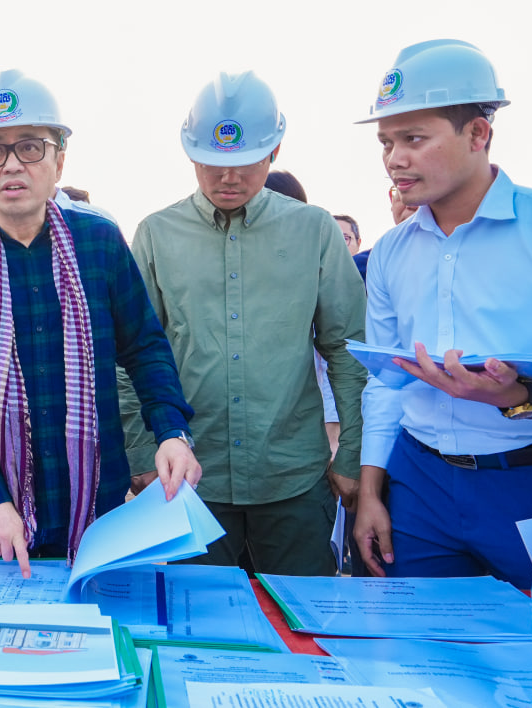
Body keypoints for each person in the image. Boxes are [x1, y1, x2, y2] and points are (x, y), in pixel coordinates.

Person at [0, 70, 199, 574]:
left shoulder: (100, 243)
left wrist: (171, 432)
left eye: (30, 147)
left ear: (59, 161)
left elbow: (145, 349)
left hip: (97, 503)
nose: (12, 164)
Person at [352, 40, 532, 589]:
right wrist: (372, 490)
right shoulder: (391, 251)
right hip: (419, 485)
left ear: (478, 133)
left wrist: (520, 397)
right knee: (416, 635)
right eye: (386, 143)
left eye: (414, 139)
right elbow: (385, 380)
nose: (395, 159)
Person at [128, 71, 367, 576]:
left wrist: (352, 453)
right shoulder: (156, 235)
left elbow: (348, 349)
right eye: (213, 165)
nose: (228, 178)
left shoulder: (314, 230)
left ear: (274, 151)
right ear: (190, 154)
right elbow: (130, 357)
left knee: (302, 614)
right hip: (191, 479)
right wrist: (143, 452)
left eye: (244, 163)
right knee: (198, 618)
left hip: (293, 480)